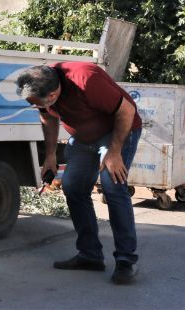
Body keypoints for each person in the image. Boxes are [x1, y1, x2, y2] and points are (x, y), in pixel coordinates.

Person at [16, 63, 142, 284]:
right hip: (84, 137)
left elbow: (127, 110)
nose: (34, 106)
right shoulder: (43, 84)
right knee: (73, 187)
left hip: (116, 132)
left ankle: (126, 260)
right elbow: (48, 117)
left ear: (53, 95)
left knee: (113, 186)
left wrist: (114, 152)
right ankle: (90, 255)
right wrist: (50, 155)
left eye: (35, 103)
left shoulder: (86, 80)